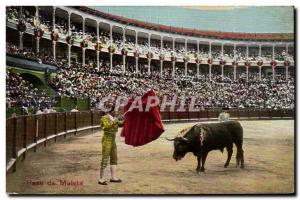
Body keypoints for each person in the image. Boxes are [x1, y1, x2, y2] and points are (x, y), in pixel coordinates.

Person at [98, 105, 124, 185]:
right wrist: (116, 121)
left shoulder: (114, 118)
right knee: (105, 158)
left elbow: (120, 124)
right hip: (106, 140)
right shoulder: (104, 118)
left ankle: (113, 177)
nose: (116, 112)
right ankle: (101, 179)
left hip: (113, 140)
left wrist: (126, 120)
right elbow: (106, 126)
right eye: (115, 111)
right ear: (111, 111)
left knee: (114, 158)